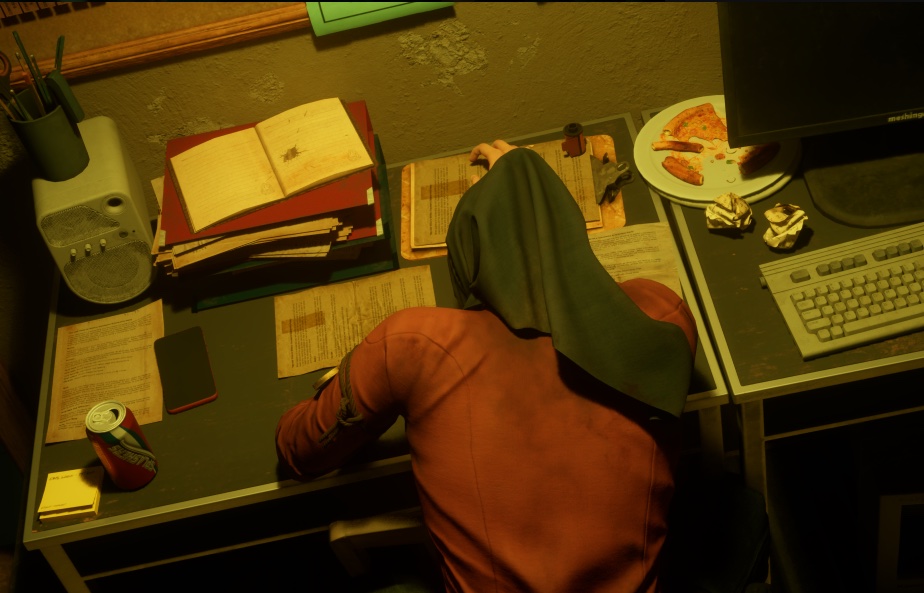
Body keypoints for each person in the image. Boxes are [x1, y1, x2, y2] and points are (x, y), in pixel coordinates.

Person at [276, 140, 697, 593]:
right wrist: (527, 187)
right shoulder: (660, 317)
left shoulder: (415, 345)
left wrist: (354, 373)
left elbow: (300, 451)